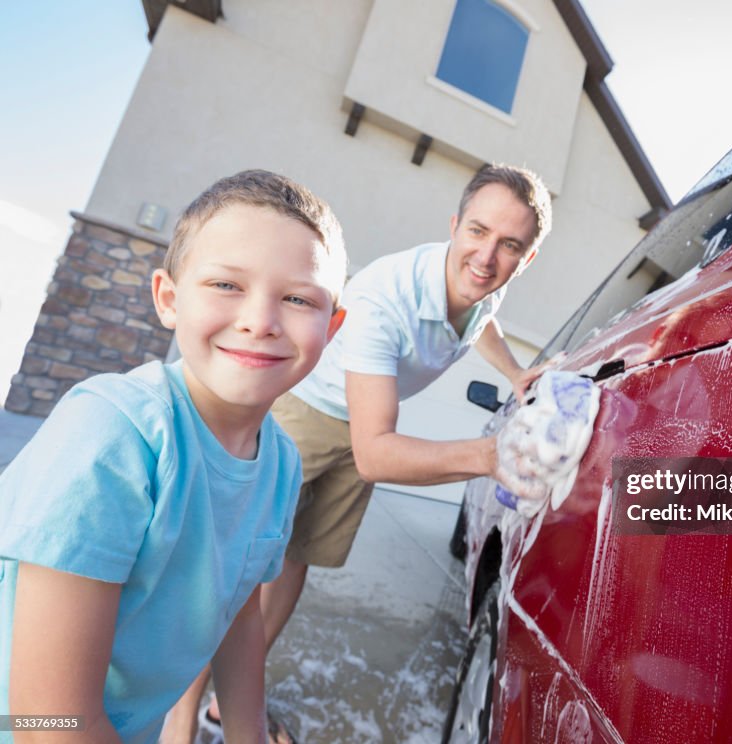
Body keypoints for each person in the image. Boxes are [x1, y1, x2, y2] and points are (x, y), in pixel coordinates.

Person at [186, 163, 553, 731]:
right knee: (236, 566)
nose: (485, 257)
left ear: (526, 259)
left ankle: (231, 703)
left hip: (364, 424)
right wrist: (488, 457)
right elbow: (376, 454)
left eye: (508, 245)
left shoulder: (487, 289)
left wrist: (516, 372)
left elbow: (485, 324)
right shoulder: (385, 299)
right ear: (455, 224)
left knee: (294, 560)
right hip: (305, 415)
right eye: (477, 232)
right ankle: (177, 719)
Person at [0, 170, 347, 744]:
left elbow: (237, 612)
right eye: (226, 285)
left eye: (296, 298)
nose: (259, 320)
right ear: (168, 298)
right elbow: (46, 718)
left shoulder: (281, 464)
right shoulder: (112, 434)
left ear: (331, 328)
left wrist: (248, 734)